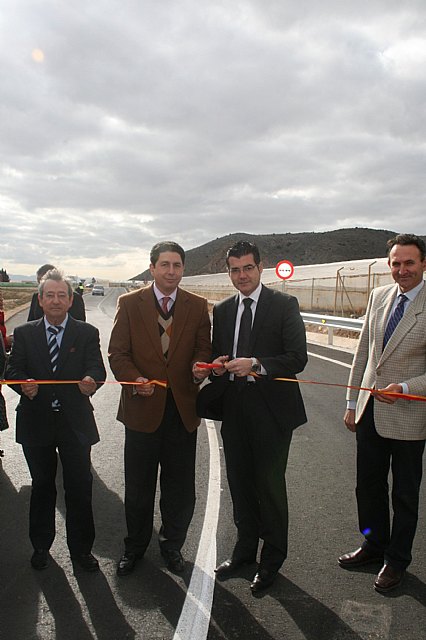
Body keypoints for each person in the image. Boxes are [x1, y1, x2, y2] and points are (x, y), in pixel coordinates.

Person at [196, 240, 307, 593]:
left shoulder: (284, 305)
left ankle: (272, 559)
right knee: (240, 486)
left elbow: (297, 357)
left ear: (261, 268)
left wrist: (257, 364)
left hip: (273, 414)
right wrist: (214, 367)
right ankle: (244, 551)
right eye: (234, 269)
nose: (241, 275)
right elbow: (219, 354)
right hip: (235, 412)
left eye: (247, 268)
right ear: (228, 272)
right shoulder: (225, 310)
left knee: (270, 488)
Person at [108, 241, 211, 576]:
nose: (171, 271)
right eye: (164, 265)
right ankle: (135, 547)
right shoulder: (129, 303)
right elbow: (117, 354)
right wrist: (134, 379)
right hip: (141, 410)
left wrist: (199, 368)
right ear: (152, 268)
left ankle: (172, 546)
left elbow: (202, 351)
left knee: (179, 490)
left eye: (177, 265)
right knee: (138, 488)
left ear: (183, 269)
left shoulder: (197, 307)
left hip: (182, 412)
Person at [339, 233, 426, 594]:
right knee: (368, 487)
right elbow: (364, 354)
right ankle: (373, 544)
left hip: (408, 416)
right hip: (369, 411)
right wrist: (350, 403)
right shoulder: (378, 297)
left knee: (404, 495)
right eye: (396, 263)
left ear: (423, 264)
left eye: (409, 263)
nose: (401, 270)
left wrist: (405, 389)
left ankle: (397, 559)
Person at [6, 269, 106, 571]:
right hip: (36, 422)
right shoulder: (24, 334)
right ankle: (40, 546)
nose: (55, 300)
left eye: (62, 295)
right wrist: (23, 384)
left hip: (74, 423)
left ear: (70, 299)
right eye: (49, 295)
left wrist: (92, 381)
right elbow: (12, 373)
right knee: (42, 486)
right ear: (40, 299)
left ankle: (81, 551)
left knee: (79, 486)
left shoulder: (86, 333)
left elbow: (97, 370)